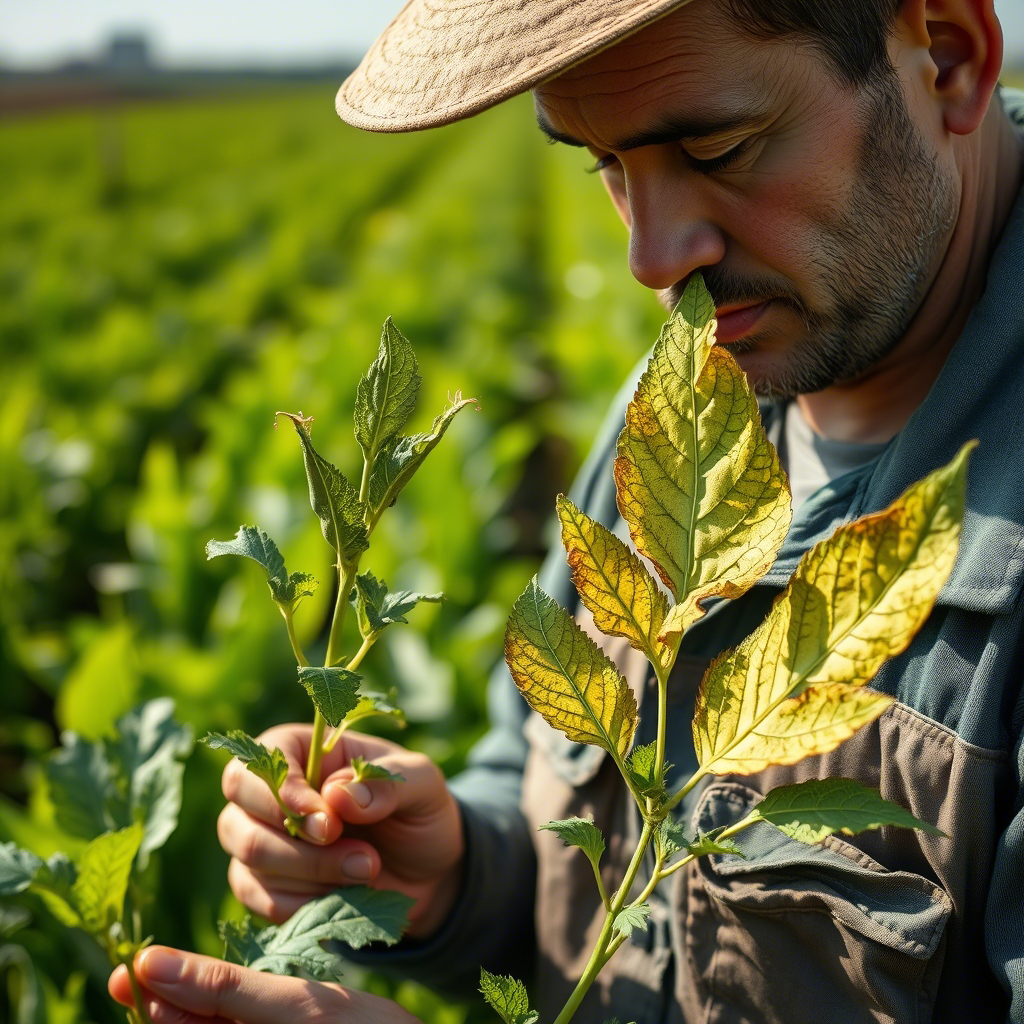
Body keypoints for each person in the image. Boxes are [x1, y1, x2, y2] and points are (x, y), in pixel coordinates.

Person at [109, 0, 1024, 1020]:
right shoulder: (689, 393)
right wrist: (451, 876)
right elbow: (563, 810)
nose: (650, 256)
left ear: (947, 58)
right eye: (604, 165)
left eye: (716, 147)